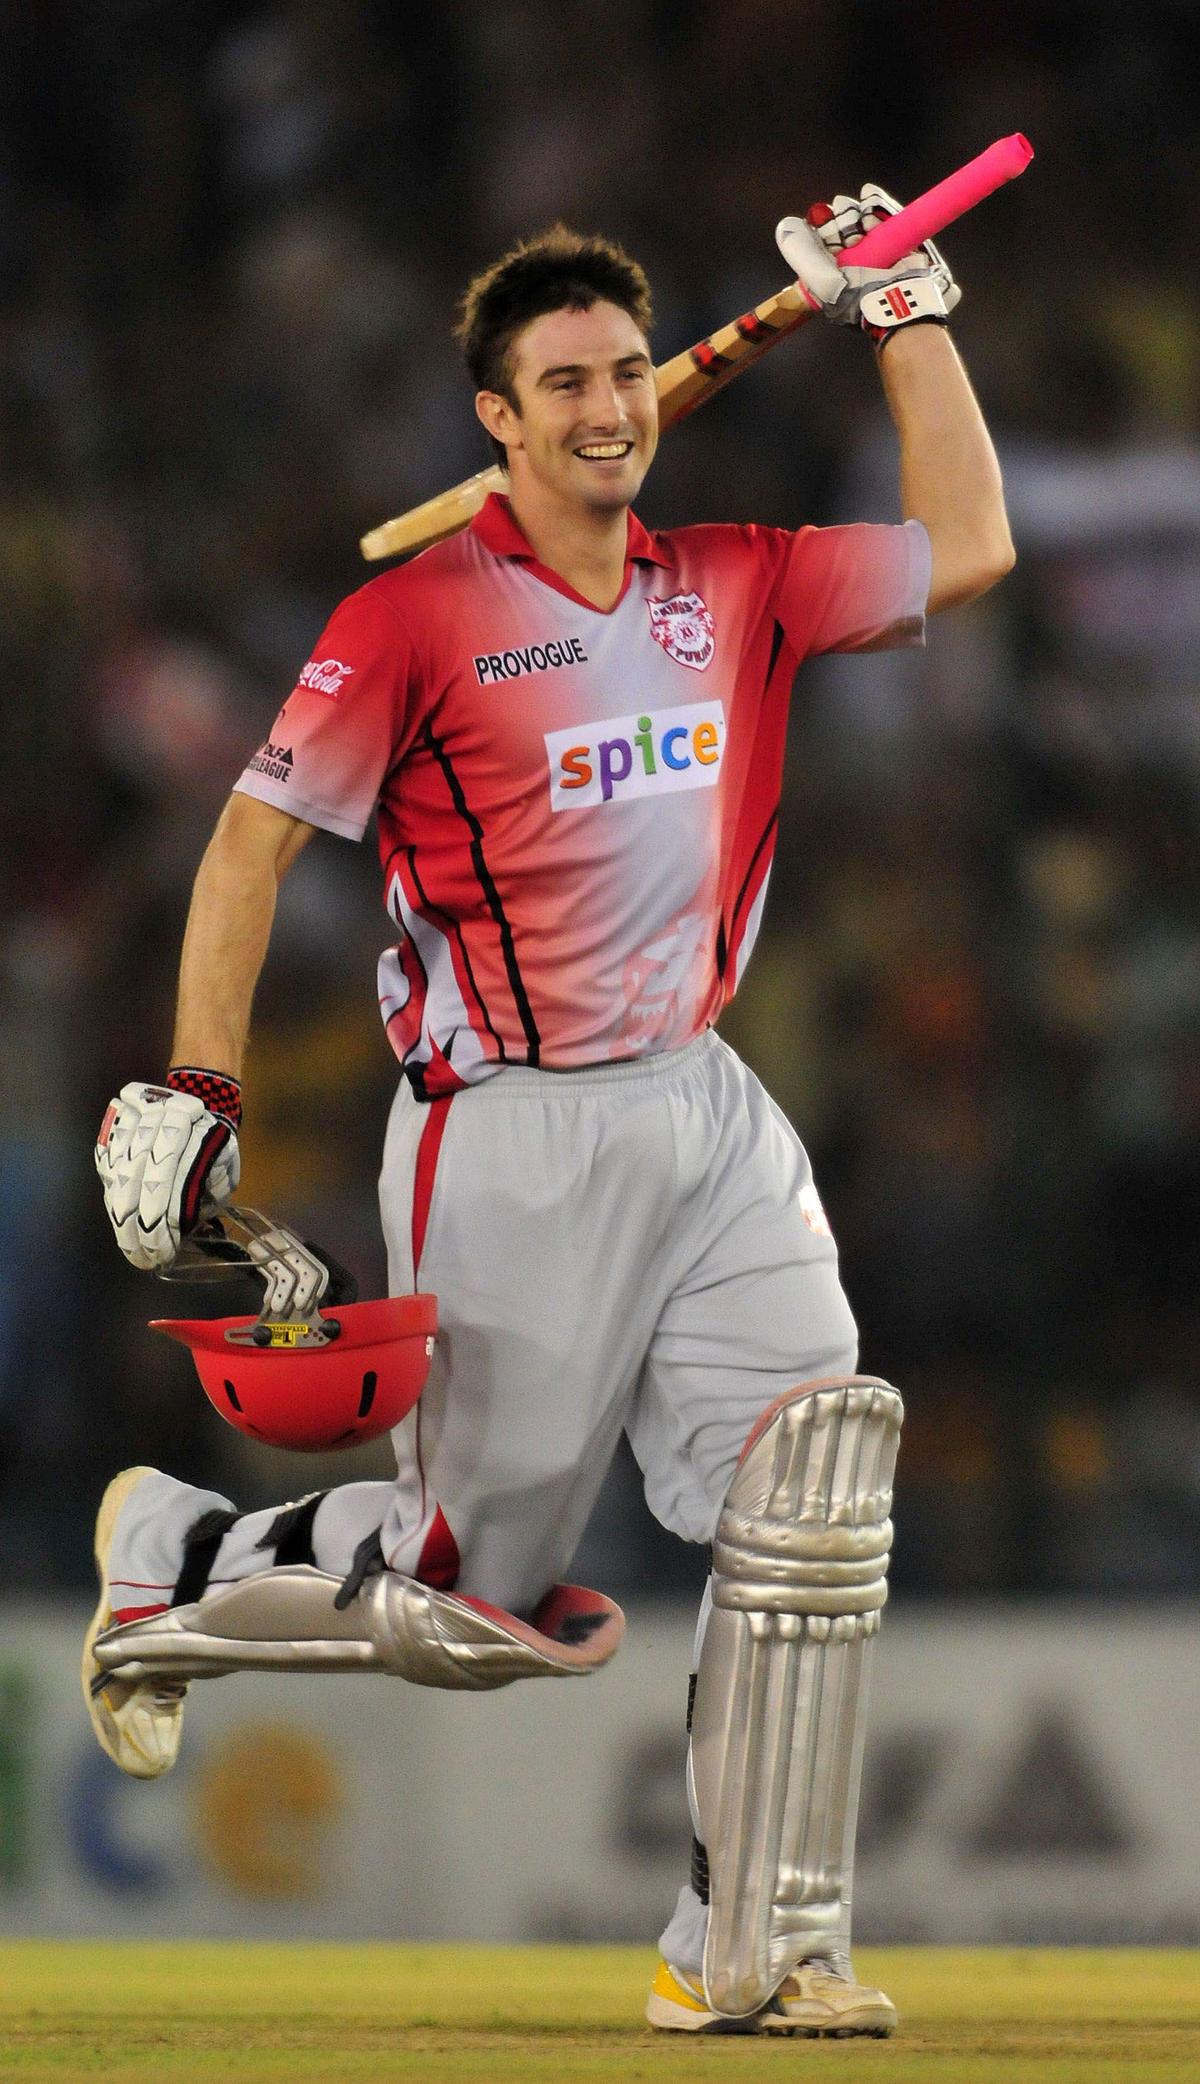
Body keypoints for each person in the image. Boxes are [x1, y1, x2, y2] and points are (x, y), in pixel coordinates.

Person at [89, 189, 1013, 2035]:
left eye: (621, 370)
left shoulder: (739, 576)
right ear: (496, 421)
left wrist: (905, 312)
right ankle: (169, 1563)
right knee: (462, 1607)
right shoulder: (412, 618)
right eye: (562, 382)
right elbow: (250, 843)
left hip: (710, 1107)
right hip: (503, 1126)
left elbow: (970, 546)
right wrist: (197, 1084)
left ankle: (751, 1947)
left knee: (810, 1486)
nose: (608, 404)